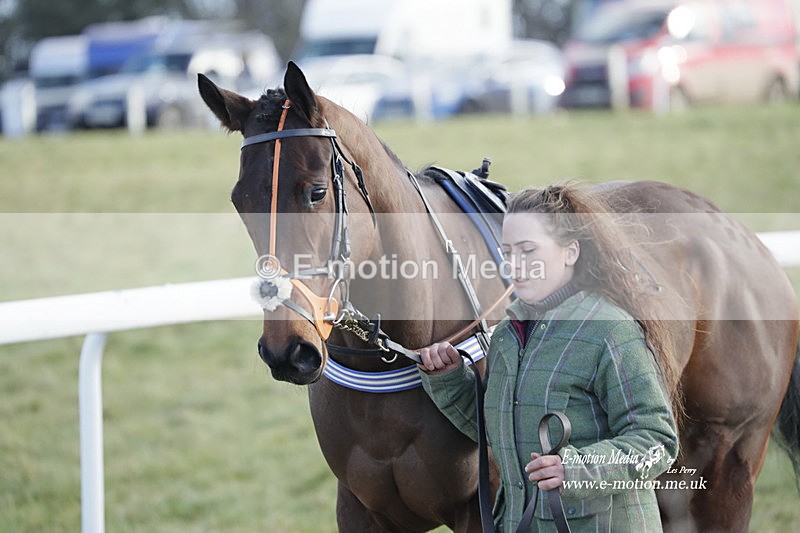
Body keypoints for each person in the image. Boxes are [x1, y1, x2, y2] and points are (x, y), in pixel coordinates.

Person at [418, 184, 680, 532]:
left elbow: (657, 441)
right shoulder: (507, 336)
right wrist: (449, 379)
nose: (514, 265)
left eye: (528, 250)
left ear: (570, 252)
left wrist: (574, 471)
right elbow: (501, 431)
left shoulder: (610, 330)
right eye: (507, 252)